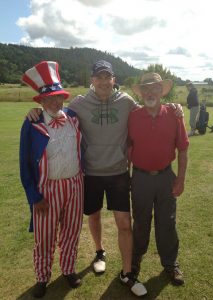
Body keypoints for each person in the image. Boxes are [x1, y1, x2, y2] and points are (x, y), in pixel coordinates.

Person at [26, 60, 183, 297]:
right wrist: (36, 111)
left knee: (123, 223)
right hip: (90, 173)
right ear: (92, 80)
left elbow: (148, 107)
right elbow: (56, 109)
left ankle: (127, 272)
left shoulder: (127, 102)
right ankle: (99, 252)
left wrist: (173, 107)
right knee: (95, 215)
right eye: (98, 77)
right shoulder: (78, 103)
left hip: (118, 172)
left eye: (107, 77)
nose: (102, 81)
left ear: (113, 80)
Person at [20, 61, 84, 298]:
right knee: (44, 237)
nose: (56, 102)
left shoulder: (74, 117)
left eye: (59, 97)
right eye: (50, 98)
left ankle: (68, 269)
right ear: (41, 102)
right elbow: (25, 165)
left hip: (75, 185)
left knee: (71, 231)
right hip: (46, 190)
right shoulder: (32, 122)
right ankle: (42, 278)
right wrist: (34, 197)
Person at [129, 73, 189, 286]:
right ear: (142, 92)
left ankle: (170, 264)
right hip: (141, 178)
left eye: (155, 88)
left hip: (165, 177)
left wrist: (180, 180)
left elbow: (182, 149)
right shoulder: (133, 116)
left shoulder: (174, 115)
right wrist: (129, 176)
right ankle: (133, 264)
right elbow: (128, 147)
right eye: (146, 88)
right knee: (140, 223)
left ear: (162, 91)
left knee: (167, 223)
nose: (150, 92)